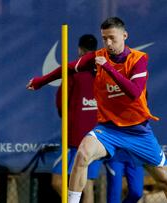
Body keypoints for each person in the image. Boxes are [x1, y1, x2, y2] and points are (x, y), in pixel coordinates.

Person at [26, 17, 167, 203]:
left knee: (166, 182)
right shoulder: (97, 58)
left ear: (125, 35)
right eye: (104, 38)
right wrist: (41, 81)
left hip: (138, 132)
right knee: (83, 153)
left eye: (112, 38)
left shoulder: (138, 59)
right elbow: (68, 68)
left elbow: (134, 92)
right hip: (109, 129)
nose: (108, 43)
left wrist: (108, 68)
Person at [50, 34, 101, 203]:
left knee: (58, 181)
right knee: (87, 187)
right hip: (95, 139)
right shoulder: (102, 72)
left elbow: (60, 103)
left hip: (73, 140)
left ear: (79, 49)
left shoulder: (74, 71)